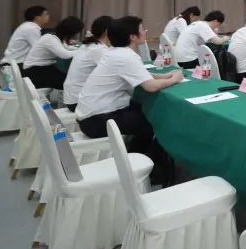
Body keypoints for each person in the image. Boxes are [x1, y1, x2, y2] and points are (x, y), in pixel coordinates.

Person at [76, 16, 184, 160]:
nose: (145, 31)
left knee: (146, 109)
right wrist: (175, 79)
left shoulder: (116, 52)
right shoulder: (126, 56)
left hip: (91, 115)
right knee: (157, 120)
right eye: (142, 29)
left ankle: (137, 153)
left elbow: (138, 73)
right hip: (97, 121)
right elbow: (150, 87)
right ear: (133, 36)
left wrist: (163, 76)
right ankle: (147, 161)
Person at [63, 16, 112, 112]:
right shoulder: (99, 49)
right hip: (79, 102)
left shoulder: (88, 45)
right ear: (107, 31)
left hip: (72, 98)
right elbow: (116, 71)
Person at [23, 16, 84, 89]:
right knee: (70, 83)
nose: (76, 35)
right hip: (34, 72)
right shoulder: (50, 39)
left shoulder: (53, 37)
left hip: (42, 68)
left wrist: (79, 49)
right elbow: (65, 55)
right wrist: (83, 51)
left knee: (69, 79)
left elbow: (66, 48)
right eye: (76, 33)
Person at [2, 5, 49, 70]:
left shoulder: (27, 26)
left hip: (14, 63)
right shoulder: (31, 28)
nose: (48, 16)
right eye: (46, 14)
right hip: (16, 65)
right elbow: (39, 49)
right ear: (38, 18)